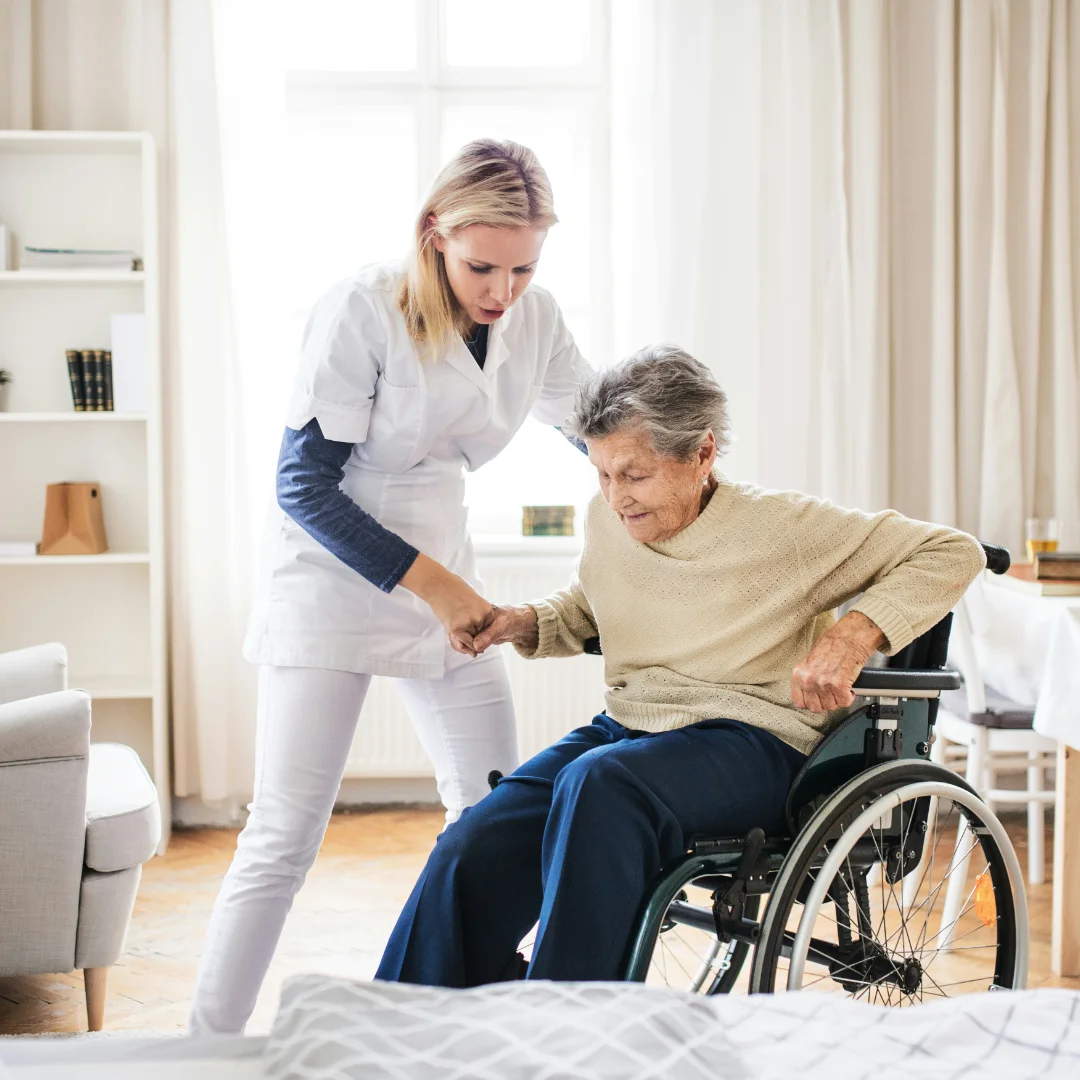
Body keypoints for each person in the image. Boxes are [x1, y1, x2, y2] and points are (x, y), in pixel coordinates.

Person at [375, 344, 987, 987]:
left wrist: (854, 635)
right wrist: (522, 622)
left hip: (753, 739)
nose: (616, 499)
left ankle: (565, 1033)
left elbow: (953, 551)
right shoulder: (610, 519)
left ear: (701, 454)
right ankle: (406, 1022)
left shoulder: (783, 528)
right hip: (633, 731)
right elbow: (596, 605)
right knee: (477, 840)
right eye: (602, 475)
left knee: (600, 786)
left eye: (634, 476)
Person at [189, 139, 592, 1033]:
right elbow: (303, 488)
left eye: (524, 267)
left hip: (445, 567)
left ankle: (474, 1025)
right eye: (482, 265)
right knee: (285, 837)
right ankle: (206, 1043)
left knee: (491, 816)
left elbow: (598, 426)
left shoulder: (535, 317)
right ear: (432, 235)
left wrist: (684, 468)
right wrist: (437, 588)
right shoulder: (361, 310)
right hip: (330, 579)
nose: (502, 290)